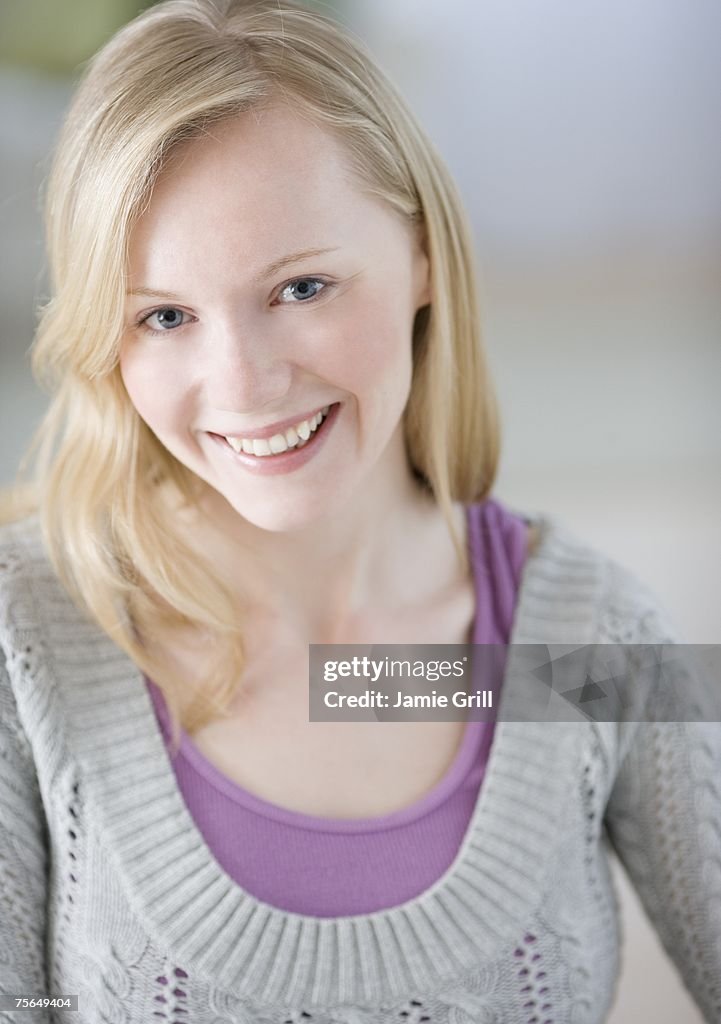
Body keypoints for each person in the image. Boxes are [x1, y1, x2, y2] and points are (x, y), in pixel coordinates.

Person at [0, 1, 718, 1021]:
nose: (243, 384)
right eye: (163, 315)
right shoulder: (23, 637)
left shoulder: (581, 643)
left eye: (300, 287)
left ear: (422, 255)